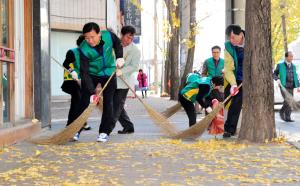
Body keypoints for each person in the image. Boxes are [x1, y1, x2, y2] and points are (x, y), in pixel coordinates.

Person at [73, 22, 123, 142]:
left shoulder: (109, 36)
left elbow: (118, 44)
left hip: (109, 73)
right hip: (92, 74)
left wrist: (120, 57)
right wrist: (92, 93)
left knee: (108, 102)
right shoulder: (83, 49)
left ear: (99, 34)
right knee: (84, 101)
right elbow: (84, 73)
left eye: (92, 37)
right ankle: (76, 130)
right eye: (86, 37)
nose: (89, 40)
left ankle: (104, 132)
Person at [112, 25, 140, 134]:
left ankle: (106, 130)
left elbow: (134, 66)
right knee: (116, 106)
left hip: (124, 82)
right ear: (122, 35)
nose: (129, 40)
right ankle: (128, 126)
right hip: (111, 80)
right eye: (128, 37)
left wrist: (122, 71)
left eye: (132, 38)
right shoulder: (114, 45)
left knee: (116, 106)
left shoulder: (135, 50)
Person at [61, 35, 91, 130]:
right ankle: (70, 126)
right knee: (77, 100)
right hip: (71, 81)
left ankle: (82, 122)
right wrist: (72, 71)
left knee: (84, 102)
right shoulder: (72, 52)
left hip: (82, 82)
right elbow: (65, 64)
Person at [223, 24, 245, 138]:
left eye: (233, 37)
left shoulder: (251, 39)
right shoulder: (228, 47)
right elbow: (228, 68)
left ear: (240, 34)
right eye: (229, 38)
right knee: (234, 104)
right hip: (237, 79)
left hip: (251, 80)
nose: (231, 40)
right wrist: (233, 84)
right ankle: (229, 130)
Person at [274, 51, 300, 122]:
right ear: (286, 57)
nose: (292, 58)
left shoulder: (293, 66)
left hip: (291, 86)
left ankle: (288, 117)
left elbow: (295, 76)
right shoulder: (280, 65)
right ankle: (282, 112)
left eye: (292, 56)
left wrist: (298, 84)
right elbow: (274, 74)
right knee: (288, 99)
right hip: (283, 86)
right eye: (290, 56)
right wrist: (277, 79)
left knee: (290, 101)